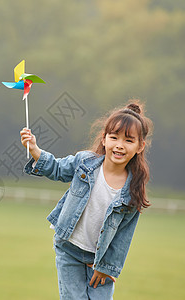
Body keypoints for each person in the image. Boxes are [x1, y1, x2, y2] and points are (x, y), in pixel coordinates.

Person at [20, 101, 153, 299]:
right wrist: (35, 150)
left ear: (140, 146)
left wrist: (107, 267)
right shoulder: (85, 163)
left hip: (99, 261)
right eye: (114, 137)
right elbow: (57, 169)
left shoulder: (133, 190)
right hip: (69, 249)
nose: (119, 145)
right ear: (104, 139)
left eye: (128, 140)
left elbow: (123, 235)